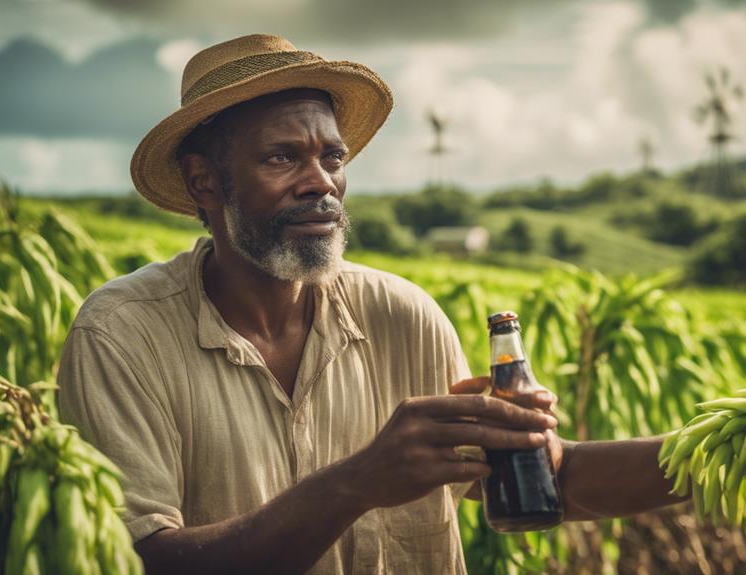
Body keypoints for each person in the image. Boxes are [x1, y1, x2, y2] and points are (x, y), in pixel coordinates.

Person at [57, 34, 684, 575]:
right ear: (204, 181)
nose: (321, 182)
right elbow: (140, 560)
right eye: (282, 157)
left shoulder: (402, 316)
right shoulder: (123, 334)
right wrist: (356, 482)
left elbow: (555, 477)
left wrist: (726, 449)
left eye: (332, 157)